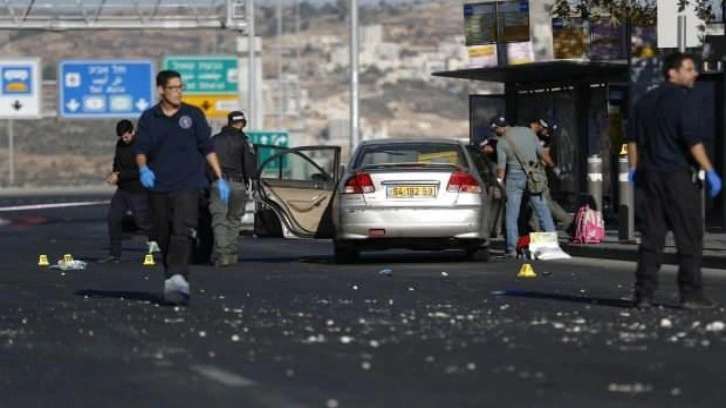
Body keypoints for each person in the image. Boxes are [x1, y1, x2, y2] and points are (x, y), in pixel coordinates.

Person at [626, 52, 722, 310]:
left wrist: (633, 170)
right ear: (673, 72)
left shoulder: (643, 101)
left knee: (651, 238)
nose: (695, 74)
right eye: (689, 69)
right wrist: (710, 170)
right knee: (689, 236)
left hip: (649, 178)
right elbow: (692, 140)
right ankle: (690, 293)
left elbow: (632, 140)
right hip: (676, 176)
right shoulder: (683, 100)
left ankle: (643, 294)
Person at [134, 69, 230, 306]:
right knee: (163, 234)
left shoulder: (193, 115)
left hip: (188, 183)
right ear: (161, 90)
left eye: (180, 88)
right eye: (173, 88)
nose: (178, 92)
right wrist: (143, 169)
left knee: (183, 229)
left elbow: (207, 148)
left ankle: (178, 276)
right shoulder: (149, 118)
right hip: (159, 185)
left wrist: (219, 177)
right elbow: (140, 150)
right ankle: (172, 274)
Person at [492, 114, 557, 257]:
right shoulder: (528, 132)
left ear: (499, 128)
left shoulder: (502, 142)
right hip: (533, 176)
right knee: (542, 210)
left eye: (495, 129)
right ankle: (552, 246)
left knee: (512, 214)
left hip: (514, 178)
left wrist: (499, 183)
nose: (495, 132)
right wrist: (553, 167)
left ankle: (512, 249)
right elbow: (541, 153)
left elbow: (501, 169)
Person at [99, 120, 158, 264]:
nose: (124, 140)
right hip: (123, 189)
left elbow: (142, 170)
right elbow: (117, 162)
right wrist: (115, 173)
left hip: (138, 190)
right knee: (113, 219)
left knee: (143, 222)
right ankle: (114, 254)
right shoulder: (120, 144)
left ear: (132, 132)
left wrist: (120, 175)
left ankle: (159, 240)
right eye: (121, 137)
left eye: (126, 136)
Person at [209, 111, 256, 267]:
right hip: (237, 184)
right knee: (234, 219)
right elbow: (249, 164)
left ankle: (223, 253)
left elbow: (206, 163)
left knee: (219, 219)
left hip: (218, 183)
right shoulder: (244, 141)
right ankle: (231, 253)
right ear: (243, 123)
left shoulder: (214, 141)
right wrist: (252, 182)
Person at [528, 116, 573, 229]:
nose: (546, 132)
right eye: (545, 130)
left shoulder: (546, 138)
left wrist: (552, 166)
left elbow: (544, 154)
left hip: (536, 173)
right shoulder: (530, 134)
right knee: (542, 200)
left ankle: (567, 221)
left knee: (540, 199)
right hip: (532, 171)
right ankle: (568, 222)